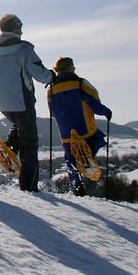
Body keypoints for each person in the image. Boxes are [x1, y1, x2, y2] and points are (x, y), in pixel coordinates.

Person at [0, 14, 54, 191]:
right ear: (17, 28)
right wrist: (52, 76)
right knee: (30, 144)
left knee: (18, 126)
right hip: (23, 101)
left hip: (3, 103)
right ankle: (29, 187)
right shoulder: (24, 49)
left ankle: (9, 147)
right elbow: (40, 73)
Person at [47, 57, 112, 196]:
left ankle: (76, 187)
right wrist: (106, 111)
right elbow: (94, 102)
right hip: (84, 128)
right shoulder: (80, 83)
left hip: (66, 133)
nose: (75, 69)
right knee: (96, 140)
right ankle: (85, 161)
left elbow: (52, 111)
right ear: (69, 67)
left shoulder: (51, 88)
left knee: (70, 158)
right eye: (73, 66)